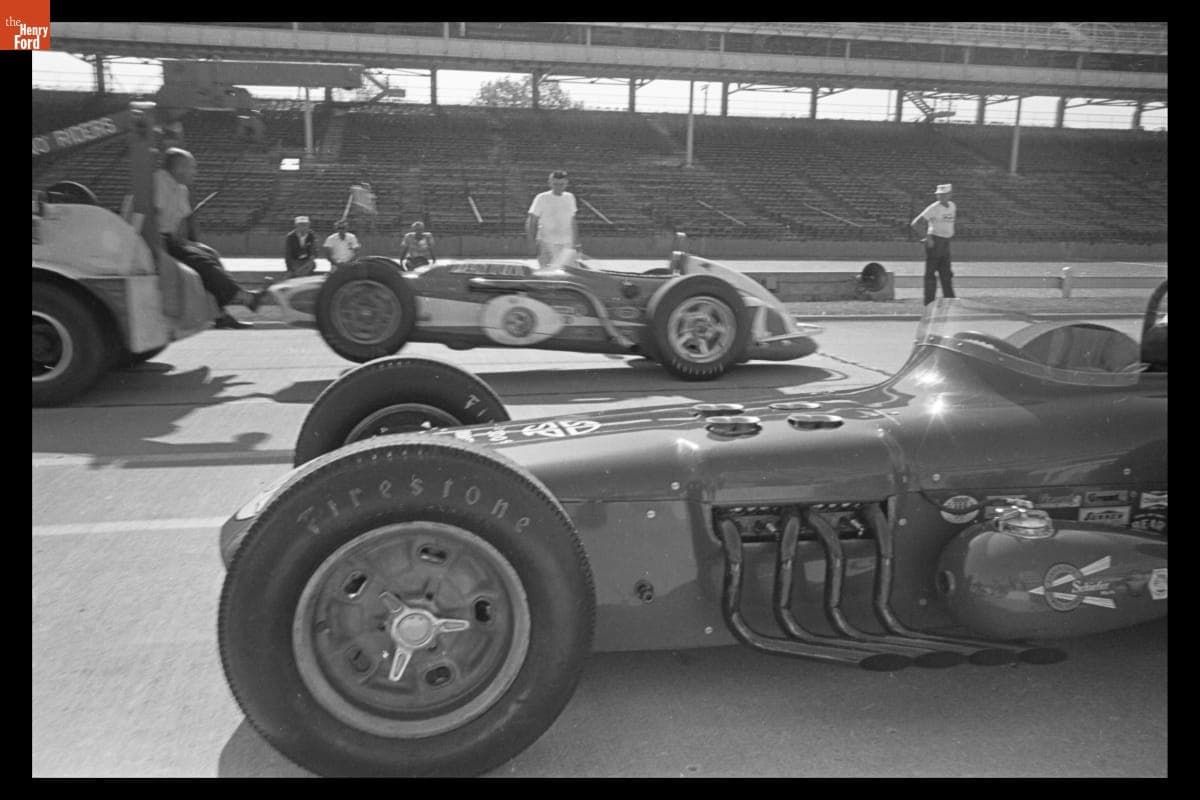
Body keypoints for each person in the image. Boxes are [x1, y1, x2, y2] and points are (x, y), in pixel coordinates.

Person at [154, 148, 264, 329]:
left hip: (169, 237)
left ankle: (221, 315)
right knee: (198, 261)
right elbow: (152, 215)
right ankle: (243, 297)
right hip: (155, 238)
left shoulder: (180, 189)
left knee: (209, 254)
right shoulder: (159, 181)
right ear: (179, 168)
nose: (195, 172)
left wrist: (192, 244)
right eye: (192, 167)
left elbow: (183, 221)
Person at [910, 183, 958, 305]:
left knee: (946, 273)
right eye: (939, 195)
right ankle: (929, 302)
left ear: (950, 195)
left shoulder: (952, 206)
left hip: (946, 242)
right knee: (931, 274)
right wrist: (927, 238)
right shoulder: (934, 208)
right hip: (935, 241)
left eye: (944, 195)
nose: (941, 197)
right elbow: (915, 223)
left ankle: (950, 300)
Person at [526, 169, 579, 268]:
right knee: (547, 274)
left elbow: (573, 220)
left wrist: (576, 243)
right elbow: (532, 220)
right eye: (555, 184)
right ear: (550, 183)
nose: (558, 187)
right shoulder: (541, 198)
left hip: (566, 244)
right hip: (546, 243)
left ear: (566, 183)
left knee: (567, 274)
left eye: (561, 184)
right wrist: (531, 242)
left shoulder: (570, 197)